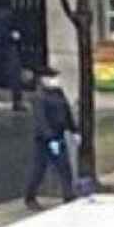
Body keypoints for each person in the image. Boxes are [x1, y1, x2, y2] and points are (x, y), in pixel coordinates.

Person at [23, 66, 78, 210]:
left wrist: (74, 130)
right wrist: (50, 138)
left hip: (59, 134)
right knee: (39, 169)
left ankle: (68, 194)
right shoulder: (39, 96)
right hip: (44, 139)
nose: (56, 80)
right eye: (52, 78)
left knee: (64, 167)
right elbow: (41, 120)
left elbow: (66, 112)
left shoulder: (58, 93)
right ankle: (30, 197)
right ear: (43, 80)